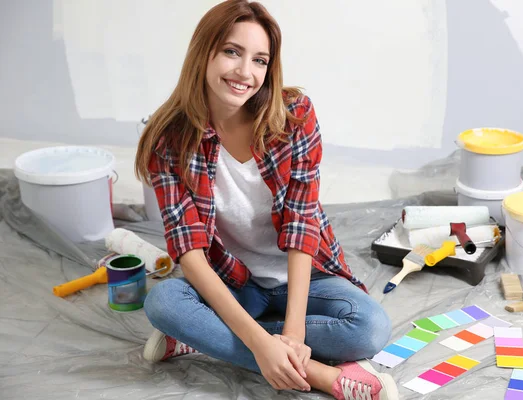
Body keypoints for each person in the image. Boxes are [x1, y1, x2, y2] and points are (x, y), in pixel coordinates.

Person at [135, 1, 397, 399]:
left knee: (370, 328)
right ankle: (318, 373)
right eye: (231, 52)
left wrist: (292, 333)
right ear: (203, 52)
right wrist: (264, 347)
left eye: (260, 60)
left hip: (304, 280)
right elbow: (189, 251)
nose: (245, 73)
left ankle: (201, 336)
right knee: (163, 304)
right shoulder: (167, 139)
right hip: (234, 281)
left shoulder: (295, 116)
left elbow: (301, 221)